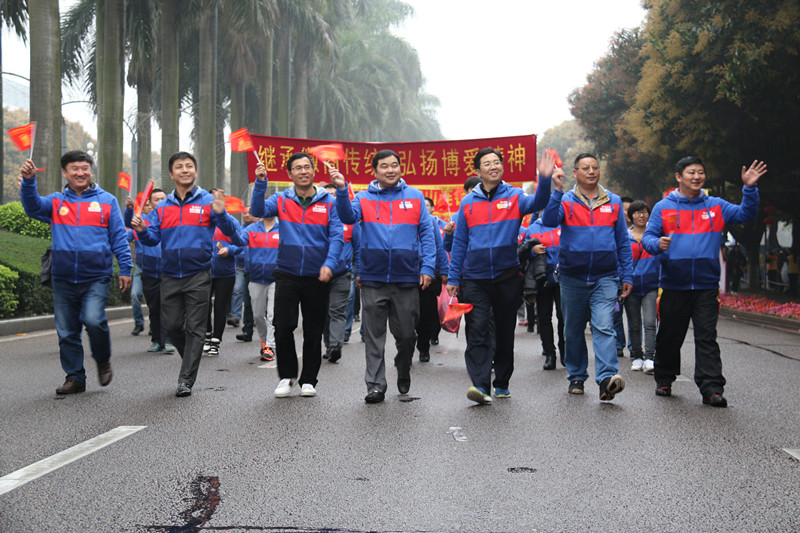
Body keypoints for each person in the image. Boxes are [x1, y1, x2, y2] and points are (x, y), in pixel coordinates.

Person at [643, 156, 767, 407]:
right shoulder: (663, 207)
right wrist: (658, 244)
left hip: (706, 286)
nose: (697, 177)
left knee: (707, 337)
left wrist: (749, 187)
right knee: (669, 335)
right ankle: (664, 378)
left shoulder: (716, 206)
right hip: (674, 284)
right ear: (679, 177)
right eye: (691, 172)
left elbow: (745, 213)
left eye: (700, 172)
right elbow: (648, 238)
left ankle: (711, 388)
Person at [130, 151, 245, 397]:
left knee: (196, 328)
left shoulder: (209, 202)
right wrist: (142, 230)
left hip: (199, 274)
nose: (185, 170)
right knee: (172, 326)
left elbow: (237, 237)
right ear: (171, 174)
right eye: (179, 167)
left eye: (189, 166)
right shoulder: (162, 207)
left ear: (195, 171)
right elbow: (152, 239)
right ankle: (191, 359)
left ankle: (185, 380)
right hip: (169, 274)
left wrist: (221, 214)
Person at [446, 148, 553, 405]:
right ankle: (480, 385)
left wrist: (544, 178)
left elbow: (539, 202)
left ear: (502, 167)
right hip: (474, 278)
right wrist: (453, 278)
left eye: (497, 162)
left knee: (505, 331)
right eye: (487, 163)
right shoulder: (467, 202)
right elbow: (460, 243)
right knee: (478, 329)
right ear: (478, 170)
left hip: (507, 276)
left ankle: (502, 381)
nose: (493, 166)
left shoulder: (515, 196)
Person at [19, 152, 132, 394]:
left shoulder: (108, 201)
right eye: (74, 169)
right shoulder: (56, 201)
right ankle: (75, 377)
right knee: (67, 331)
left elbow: (119, 238)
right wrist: (29, 181)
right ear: (65, 173)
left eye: (84, 168)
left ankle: (102, 360)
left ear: (91, 170)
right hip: (63, 277)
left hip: (97, 276)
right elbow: (32, 207)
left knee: (94, 320)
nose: (80, 173)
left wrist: (125, 268)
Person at [331, 149, 436, 403]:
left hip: (406, 277)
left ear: (400, 167)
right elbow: (347, 216)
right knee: (373, 337)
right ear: (375, 171)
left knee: (407, 335)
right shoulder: (363, 197)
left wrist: (428, 267)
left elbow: (427, 233)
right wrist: (342, 190)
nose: (390, 170)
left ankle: (403, 365)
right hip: (373, 277)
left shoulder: (415, 196)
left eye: (394, 165)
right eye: (384, 166)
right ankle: (375, 385)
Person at [250, 152, 343, 398]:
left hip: (317, 274)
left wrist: (329, 264)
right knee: (283, 326)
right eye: (298, 168)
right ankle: (287, 376)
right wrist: (261, 182)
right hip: (287, 272)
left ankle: (309, 380)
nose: (303, 171)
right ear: (290, 174)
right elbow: (258, 210)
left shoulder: (329, 201)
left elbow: (336, 236)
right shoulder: (281, 199)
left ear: (313, 171)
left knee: (313, 329)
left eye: (307, 167)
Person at [541, 153, 633, 402]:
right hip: (572, 276)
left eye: (595, 167)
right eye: (585, 168)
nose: (591, 171)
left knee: (604, 326)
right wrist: (556, 190)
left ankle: (606, 379)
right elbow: (548, 221)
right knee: (573, 329)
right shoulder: (565, 200)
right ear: (575, 173)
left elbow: (623, 242)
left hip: (606, 276)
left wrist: (627, 274)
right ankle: (577, 376)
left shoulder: (613, 201)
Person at [525, 169, 566, 370]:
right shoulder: (533, 228)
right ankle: (549, 354)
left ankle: (566, 353)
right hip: (542, 278)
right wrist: (533, 251)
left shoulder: (563, 224)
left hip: (563, 277)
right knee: (544, 318)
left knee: (564, 317)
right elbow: (523, 251)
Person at [124, 189, 174, 353]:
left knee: (167, 306)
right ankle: (156, 340)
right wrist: (129, 211)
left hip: (169, 270)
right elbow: (128, 230)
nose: (160, 202)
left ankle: (168, 340)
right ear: (150, 204)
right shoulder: (143, 220)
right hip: (149, 270)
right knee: (154, 307)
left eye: (163, 198)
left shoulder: (173, 219)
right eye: (156, 199)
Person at [322, 187, 360, 364]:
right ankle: (329, 344)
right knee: (324, 312)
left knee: (337, 310)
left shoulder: (350, 222)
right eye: (328, 195)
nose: (332, 198)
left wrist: (360, 272)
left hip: (342, 273)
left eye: (335, 195)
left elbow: (358, 248)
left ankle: (335, 346)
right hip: (319, 274)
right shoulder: (317, 219)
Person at [624, 200, 659, 374]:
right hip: (631, 287)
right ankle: (637, 356)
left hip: (651, 285)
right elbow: (620, 261)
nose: (641, 215)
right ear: (631, 216)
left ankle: (650, 357)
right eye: (637, 212)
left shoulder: (654, 237)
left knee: (650, 322)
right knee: (634, 324)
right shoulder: (624, 237)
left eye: (644, 212)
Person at [203, 206, 242, 357]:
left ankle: (216, 341)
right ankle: (207, 335)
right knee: (204, 305)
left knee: (220, 306)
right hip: (204, 271)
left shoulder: (231, 222)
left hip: (225, 273)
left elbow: (240, 244)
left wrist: (229, 250)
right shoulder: (203, 221)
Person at [241, 216, 279, 361]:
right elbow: (238, 243)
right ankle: (264, 341)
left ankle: (270, 346)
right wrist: (229, 249)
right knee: (257, 315)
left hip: (276, 278)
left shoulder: (283, 228)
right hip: (256, 277)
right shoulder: (252, 229)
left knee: (272, 315)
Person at [416, 197, 448, 362]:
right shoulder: (400, 217)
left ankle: (423, 347)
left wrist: (444, 270)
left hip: (428, 273)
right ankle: (405, 347)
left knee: (426, 313)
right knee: (405, 315)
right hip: (405, 273)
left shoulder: (431, 221)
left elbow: (439, 246)